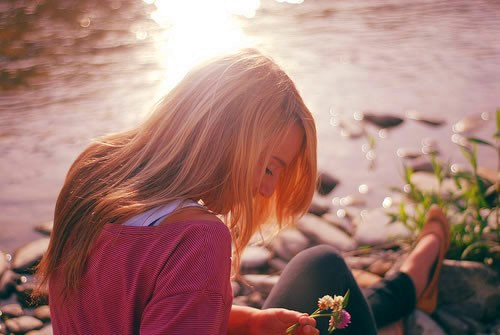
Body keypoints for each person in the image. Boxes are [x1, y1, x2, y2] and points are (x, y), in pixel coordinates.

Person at [36, 49, 450, 335]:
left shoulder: (95, 168)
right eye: (270, 167)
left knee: (320, 298)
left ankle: (414, 278)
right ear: (228, 138)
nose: (266, 189)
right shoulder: (195, 240)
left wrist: (248, 323)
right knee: (326, 272)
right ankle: (415, 276)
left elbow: (129, 312)